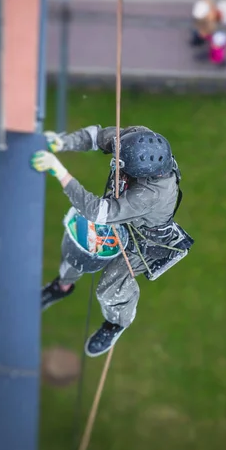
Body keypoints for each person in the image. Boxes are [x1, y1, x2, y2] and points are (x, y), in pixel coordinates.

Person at [30, 125, 194, 357]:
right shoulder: (134, 141)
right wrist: (63, 143)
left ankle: (116, 323)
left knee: (110, 289)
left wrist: (58, 170)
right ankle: (62, 286)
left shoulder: (150, 194)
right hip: (121, 214)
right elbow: (97, 136)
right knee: (79, 247)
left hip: (142, 240)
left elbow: (96, 211)